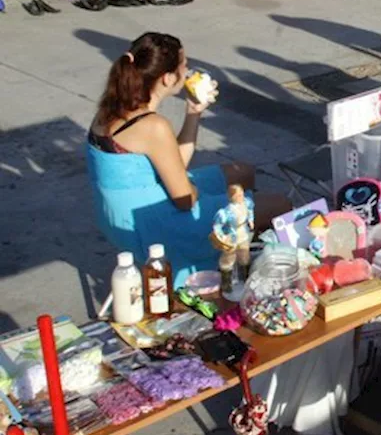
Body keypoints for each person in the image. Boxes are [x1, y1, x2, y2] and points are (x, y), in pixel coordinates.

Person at [86, 33, 290, 287]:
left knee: (243, 172)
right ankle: (241, 273)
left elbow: (173, 163)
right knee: (280, 205)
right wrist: (200, 194)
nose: (188, 70)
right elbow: (185, 200)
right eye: (183, 65)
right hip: (152, 224)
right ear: (168, 78)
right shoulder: (153, 126)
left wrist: (193, 113)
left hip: (122, 212)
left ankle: (235, 249)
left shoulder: (114, 107)